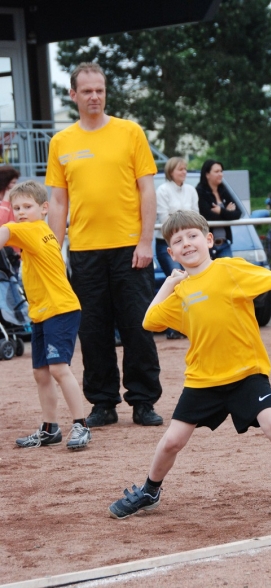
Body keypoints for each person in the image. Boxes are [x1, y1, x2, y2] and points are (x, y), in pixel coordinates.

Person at [108, 210, 271, 522]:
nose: (187, 243)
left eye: (192, 236)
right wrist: (169, 285)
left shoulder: (230, 269)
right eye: (178, 241)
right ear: (171, 253)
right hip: (203, 380)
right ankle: (149, 491)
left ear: (209, 240)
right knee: (172, 441)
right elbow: (148, 321)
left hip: (246, 373)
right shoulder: (182, 291)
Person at [46, 62, 163, 429]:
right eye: (87, 91)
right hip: (84, 251)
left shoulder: (130, 133)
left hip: (131, 247)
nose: (94, 96)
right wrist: (52, 252)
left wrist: (146, 240)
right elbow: (58, 202)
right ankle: (102, 402)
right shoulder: (61, 142)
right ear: (73, 95)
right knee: (93, 329)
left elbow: (147, 189)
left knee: (137, 326)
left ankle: (143, 401)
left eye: (100, 90)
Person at [0, 181, 91, 450]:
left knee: (59, 369)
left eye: (28, 206)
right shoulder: (41, 232)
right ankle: (50, 428)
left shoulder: (32, 229)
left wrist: (8, 226)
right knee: (41, 373)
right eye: (16, 208)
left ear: (44, 208)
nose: (21, 212)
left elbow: (5, 231)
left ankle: (81, 425)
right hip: (43, 312)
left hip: (60, 309)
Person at [156, 156, 198, 339]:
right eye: (180, 169)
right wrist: (184, 221)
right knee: (176, 280)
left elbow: (196, 216)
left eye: (185, 169)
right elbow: (164, 220)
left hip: (188, 242)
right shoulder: (162, 190)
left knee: (192, 281)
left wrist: (179, 219)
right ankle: (172, 325)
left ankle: (190, 323)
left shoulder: (190, 190)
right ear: (171, 171)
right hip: (167, 243)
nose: (184, 172)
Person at [196, 159, 241, 259]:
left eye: (221, 171)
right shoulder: (200, 192)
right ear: (207, 174)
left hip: (225, 243)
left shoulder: (224, 190)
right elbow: (207, 216)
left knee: (228, 272)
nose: (220, 174)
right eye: (216, 171)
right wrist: (228, 213)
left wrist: (221, 211)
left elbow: (238, 213)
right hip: (207, 245)